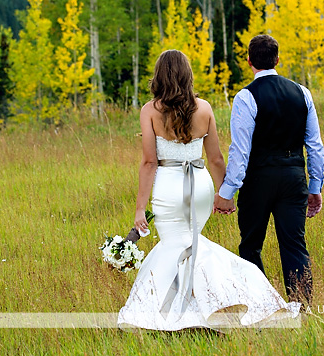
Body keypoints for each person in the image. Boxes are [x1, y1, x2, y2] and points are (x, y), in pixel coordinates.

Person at [117, 49, 300, 331]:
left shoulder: (149, 111)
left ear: (159, 76)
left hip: (169, 186)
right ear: (187, 75)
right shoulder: (204, 108)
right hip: (200, 185)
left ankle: (169, 315)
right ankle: (202, 308)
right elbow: (215, 158)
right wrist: (225, 194)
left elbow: (149, 162)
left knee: (174, 246)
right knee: (191, 244)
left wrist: (140, 207)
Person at [214, 34, 324, 305]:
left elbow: (240, 152)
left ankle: (261, 307)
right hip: (293, 177)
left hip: (258, 179)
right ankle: (302, 308)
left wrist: (227, 191)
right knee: (294, 245)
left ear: (249, 61)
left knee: (250, 245)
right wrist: (315, 187)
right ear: (277, 59)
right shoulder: (302, 92)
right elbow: (315, 145)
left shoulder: (245, 97)